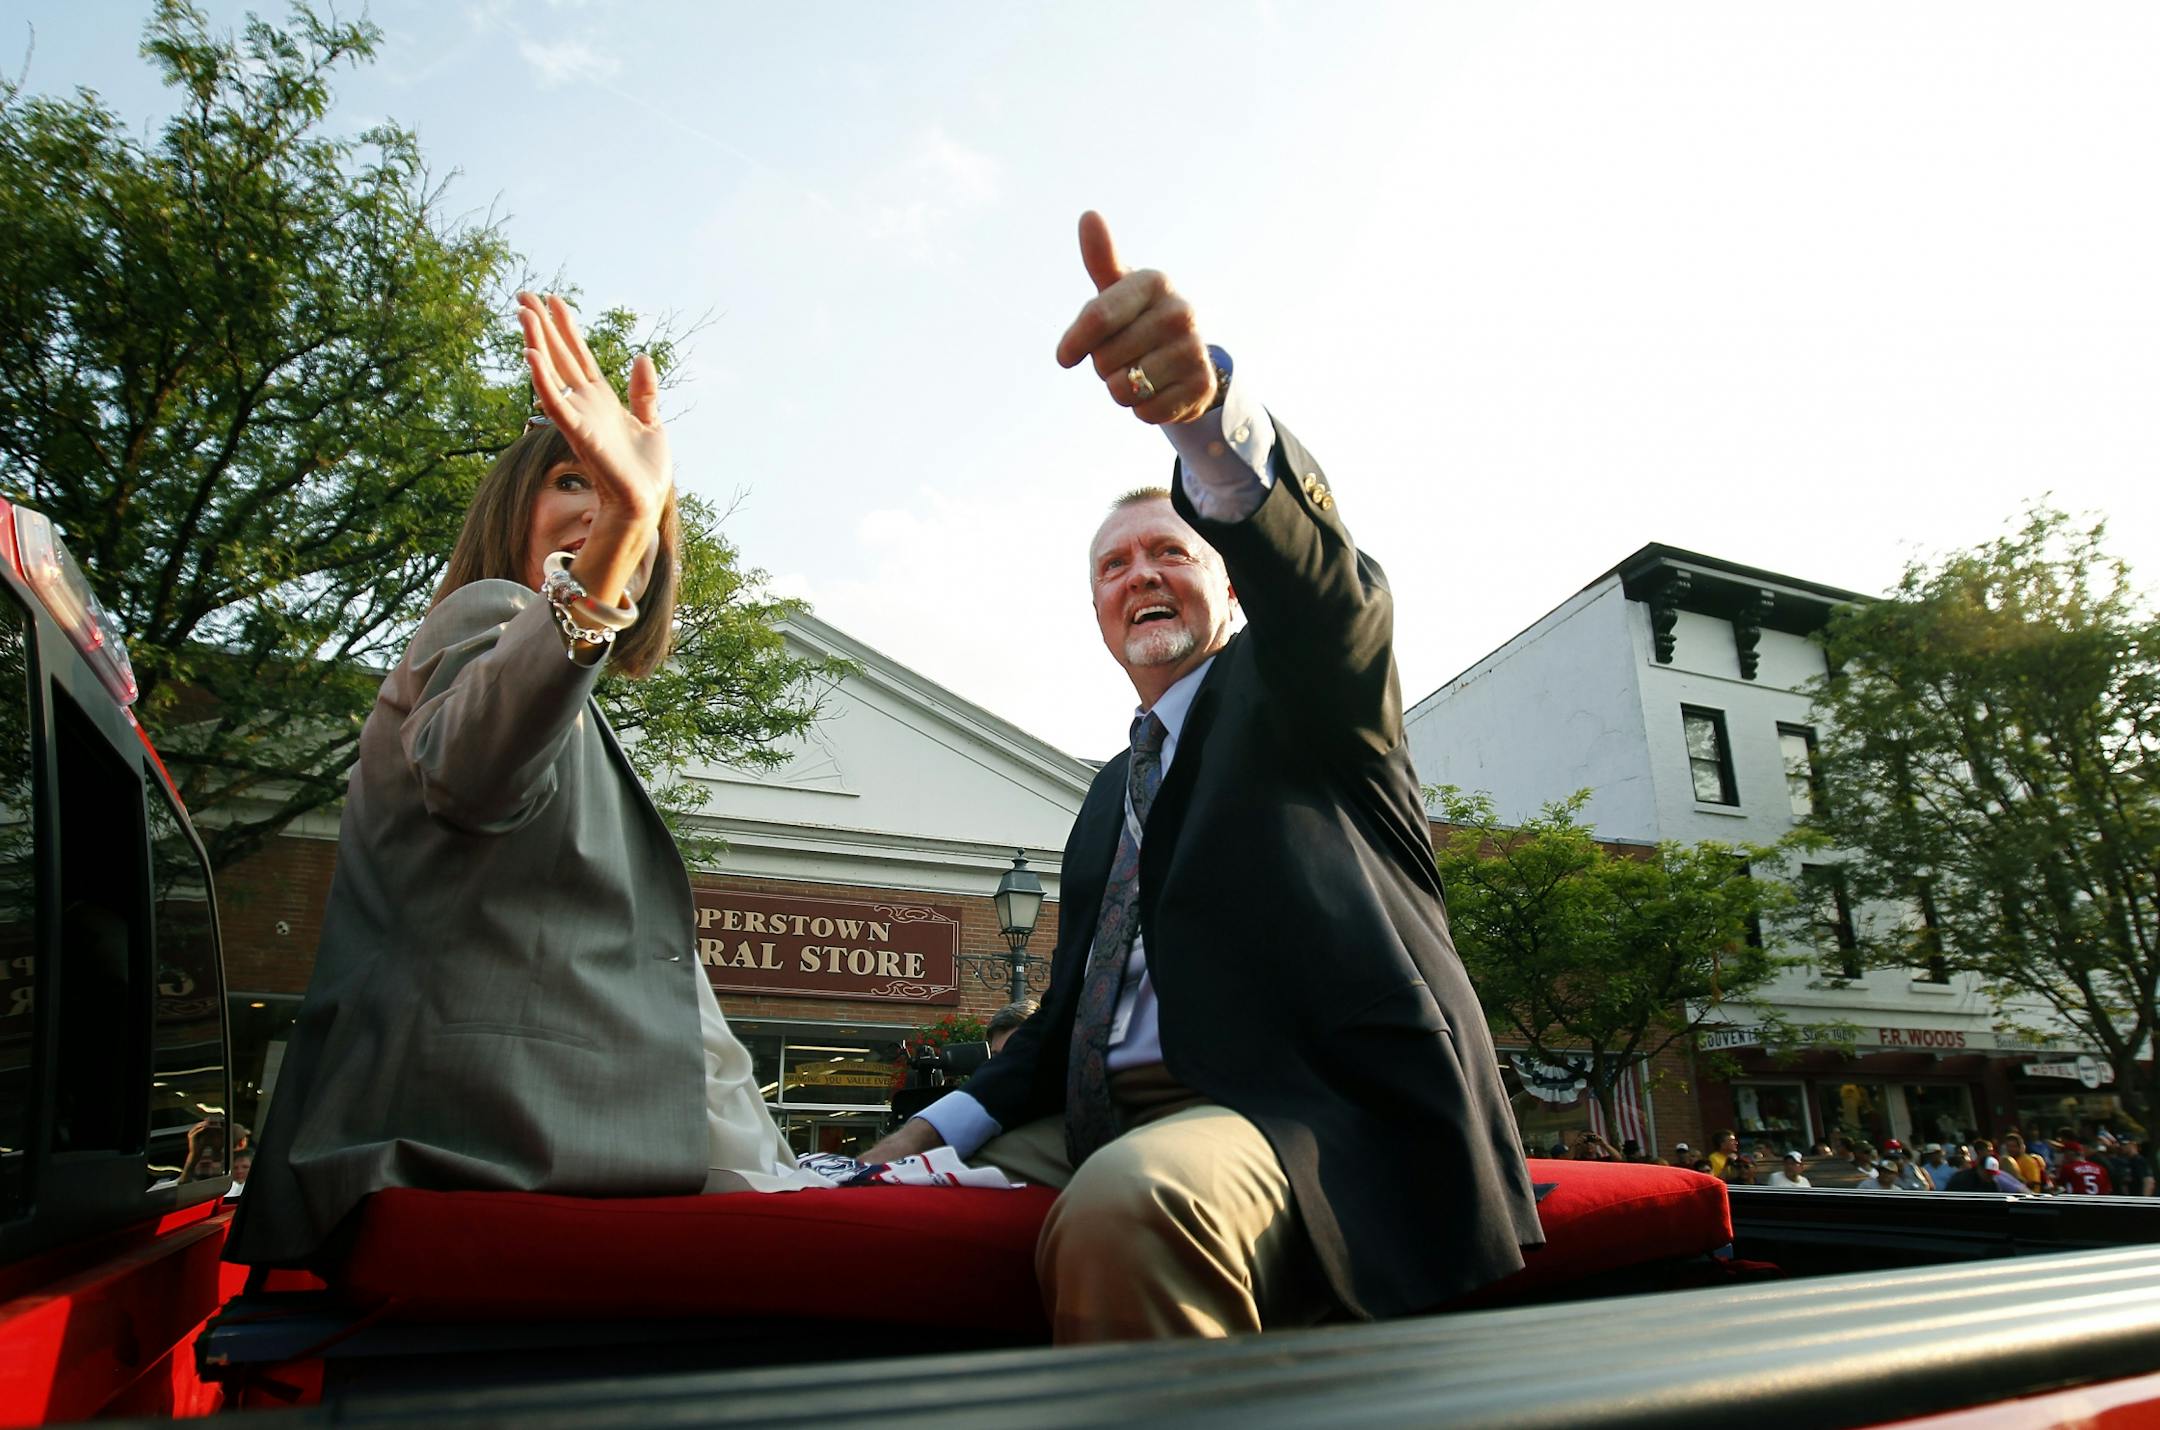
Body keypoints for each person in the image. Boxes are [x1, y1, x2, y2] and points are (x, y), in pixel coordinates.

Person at [859, 213, 1543, 1342]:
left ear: (1227, 585)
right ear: (1095, 611)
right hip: (1090, 1115)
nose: (1143, 574)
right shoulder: (1101, 796)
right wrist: (927, 1130)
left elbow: (1330, 595)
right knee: (861, 1210)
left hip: (1295, 1115)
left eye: (1171, 547)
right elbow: (1065, 1018)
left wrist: (1207, 433)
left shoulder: (1300, 691)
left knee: (1132, 1206)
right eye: (1115, 565)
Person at [229, 294, 824, 1271]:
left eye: (627, 497)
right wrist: (612, 548)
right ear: (515, 505)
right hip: (481, 1177)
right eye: (568, 479)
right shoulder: (489, 614)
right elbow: (472, 770)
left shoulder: (562, 688)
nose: (598, 503)